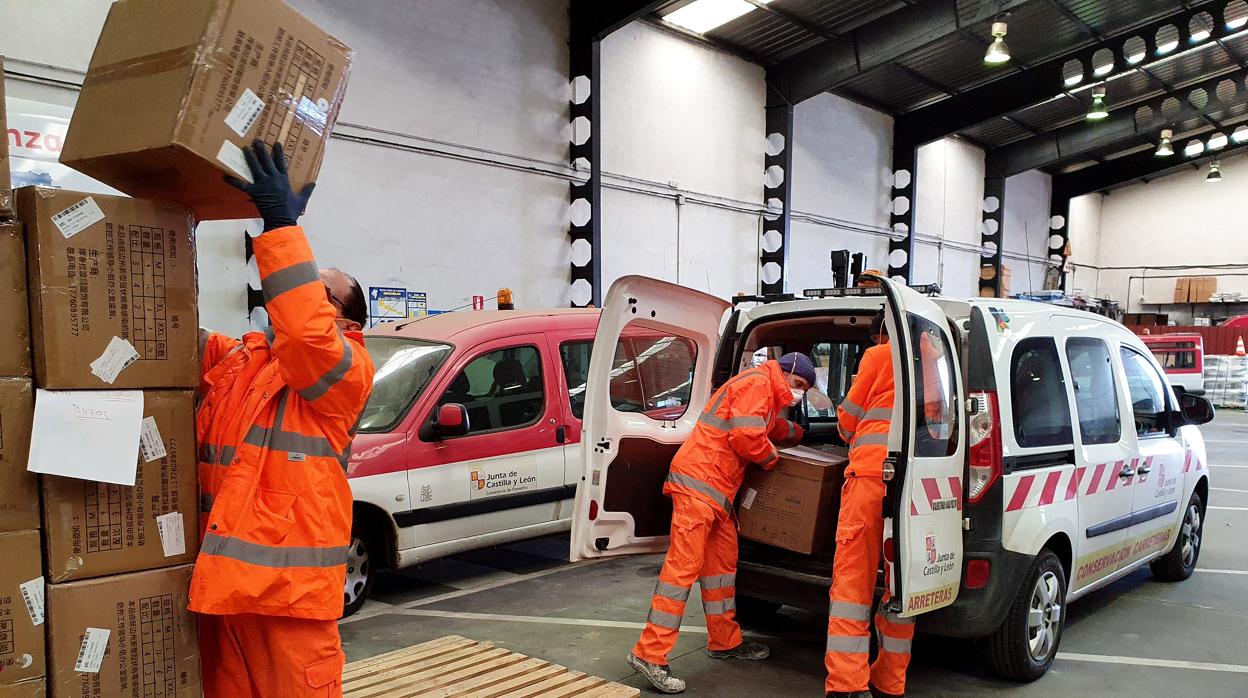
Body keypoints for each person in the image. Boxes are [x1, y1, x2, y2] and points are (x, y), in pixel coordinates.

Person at [192, 141, 375, 698]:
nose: (288, 294)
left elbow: (305, 332)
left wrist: (280, 227)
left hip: (286, 596)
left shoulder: (343, 368)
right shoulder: (245, 357)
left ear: (340, 315)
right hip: (224, 585)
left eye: (317, 291)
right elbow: (170, 338)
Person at [628, 353, 814, 694]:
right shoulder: (757, 383)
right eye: (799, 385)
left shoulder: (766, 393)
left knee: (720, 571)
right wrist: (774, 460)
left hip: (718, 495)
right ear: (787, 372)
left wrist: (799, 432)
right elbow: (747, 436)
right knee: (680, 573)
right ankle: (650, 654)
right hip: (700, 486)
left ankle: (724, 641)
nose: (798, 394)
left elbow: (769, 425)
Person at [825, 316, 913, 698]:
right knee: (901, 587)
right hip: (916, 486)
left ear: (883, 332)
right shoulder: (935, 360)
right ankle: (890, 682)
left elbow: (846, 421)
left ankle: (847, 685)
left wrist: (850, 430)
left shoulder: (878, 356)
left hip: (869, 479)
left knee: (852, 587)